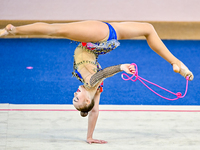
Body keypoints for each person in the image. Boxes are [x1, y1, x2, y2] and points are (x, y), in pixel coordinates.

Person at [0, 21, 194, 144]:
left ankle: (177, 64)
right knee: (56, 29)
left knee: (149, 29)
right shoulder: (92, 83)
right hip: (98, 37)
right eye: (77, 99)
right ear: (86, 99)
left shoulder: (93, 88)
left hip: (100, 42)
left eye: (73, 98)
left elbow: (93, 110)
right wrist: (121, 68)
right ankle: (13, 30)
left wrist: (89, 137)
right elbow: (97, 92)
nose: (74, 95)